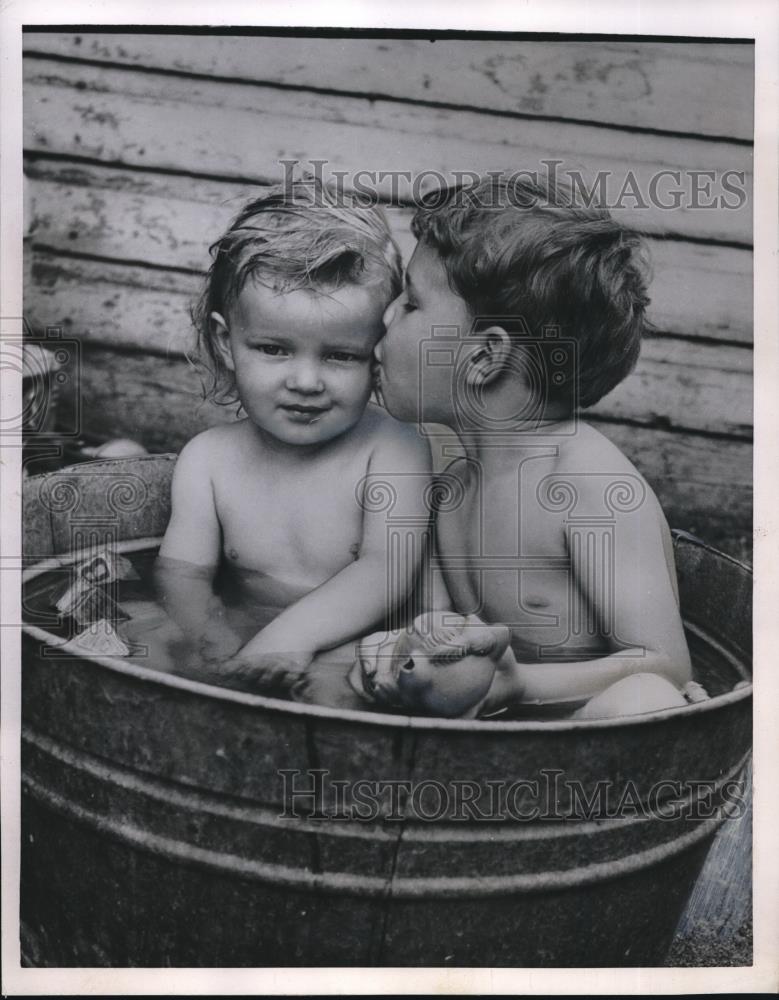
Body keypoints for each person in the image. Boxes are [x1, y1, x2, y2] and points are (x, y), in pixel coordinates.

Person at [355, 172, 693, 719]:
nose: (386, 316)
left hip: (597, 740)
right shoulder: (453, 489)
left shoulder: (585, 478)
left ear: (485, 356)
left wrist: (519, 686)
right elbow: (436, 627)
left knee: (646, 698)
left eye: (412, 304)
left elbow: (668, 665)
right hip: (505, 738)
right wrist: (400, 652)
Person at [154, 179, 432, 699]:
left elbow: (386, 570)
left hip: (356, 648)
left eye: (340, 355)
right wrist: (208, 640)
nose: (306, 381)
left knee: (346, 694)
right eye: (274, 349)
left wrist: (286, 642)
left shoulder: (393, 449)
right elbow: (183, 574)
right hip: (242, 635)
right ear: (226, 342)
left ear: (377, 350)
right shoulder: (208, 461)